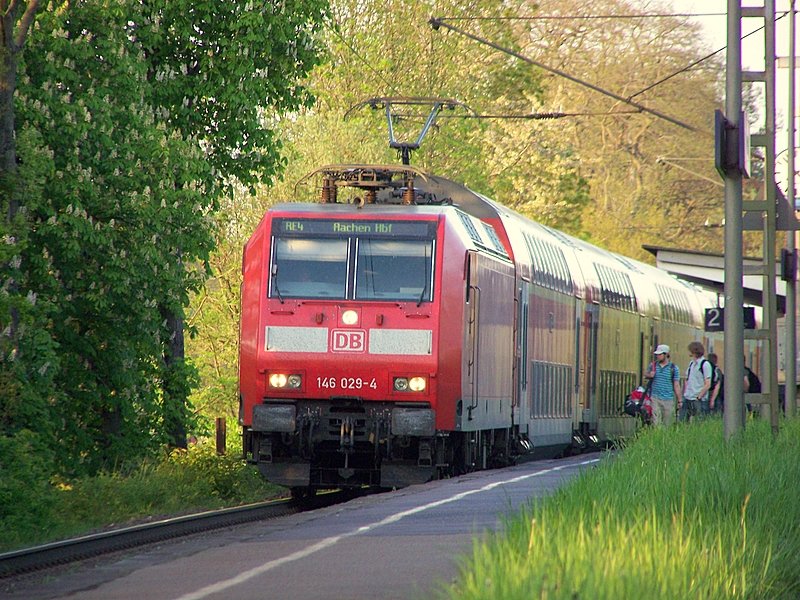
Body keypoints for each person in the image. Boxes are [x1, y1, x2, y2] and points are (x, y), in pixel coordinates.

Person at [645, 344, 681, 427]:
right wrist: (649, 375)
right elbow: (646, 374)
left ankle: (664, 438)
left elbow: (676, 385)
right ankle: (657, 436)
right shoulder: (653, 366)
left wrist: (680, 400)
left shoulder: (673, 368)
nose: (658, 356)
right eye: (657, 354)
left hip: (668, 399)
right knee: (656, 422)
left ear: (666, 354)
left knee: (667, 424)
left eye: (660, 354)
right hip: (655, 398)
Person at [679, 341, 712, 422]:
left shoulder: (705, 364)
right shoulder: (691, 364)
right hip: (688, 397)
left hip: (698, 399)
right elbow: (688, 379)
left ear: (694, 351)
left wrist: (699, 396)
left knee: (699, 422)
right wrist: (685, 393)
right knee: (682, 420)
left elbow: (708, 384)